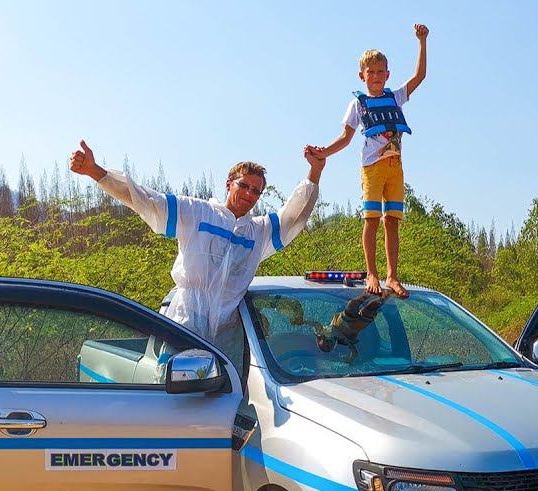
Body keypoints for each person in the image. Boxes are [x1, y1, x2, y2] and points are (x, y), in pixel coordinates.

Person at [69, 140, 325, 370]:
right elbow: (145, 200)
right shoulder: (197, 213)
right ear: (228, 184)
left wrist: (315, 171)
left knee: (224, 396)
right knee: (175, 391)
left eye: (256, 191)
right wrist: (95, 172)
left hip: (227, 334)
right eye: (244, 185)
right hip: (185, 323)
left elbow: (294, 216)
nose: (249, 194)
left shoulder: (258, 232)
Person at [310, 23, 428, 298]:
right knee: (372, 219)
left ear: (387, 75)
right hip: (372, 167)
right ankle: (372, 272)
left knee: (392, 220)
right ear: (362, 75)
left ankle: (392, 275)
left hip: (395, 167)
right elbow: (345, 137)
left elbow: (420, 76)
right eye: (370, 72)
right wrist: (323, 152)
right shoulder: (357, 104)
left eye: (380, 72)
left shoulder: (395, 97)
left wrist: (422, 42)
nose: (375, 77)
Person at [312, 290, 393, 363]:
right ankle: (387, 294)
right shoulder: (344, 341)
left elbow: (316, 325)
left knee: (352, 305)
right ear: (334, 348)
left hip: (344, 320)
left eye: (326, 342)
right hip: (356, 326)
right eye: (329, 347)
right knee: (371, 307)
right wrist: (350, 359)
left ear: (323, 337)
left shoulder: (325, 331)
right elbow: (355, 352)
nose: (328, 343)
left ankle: (368, 293)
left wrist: (306, 322)